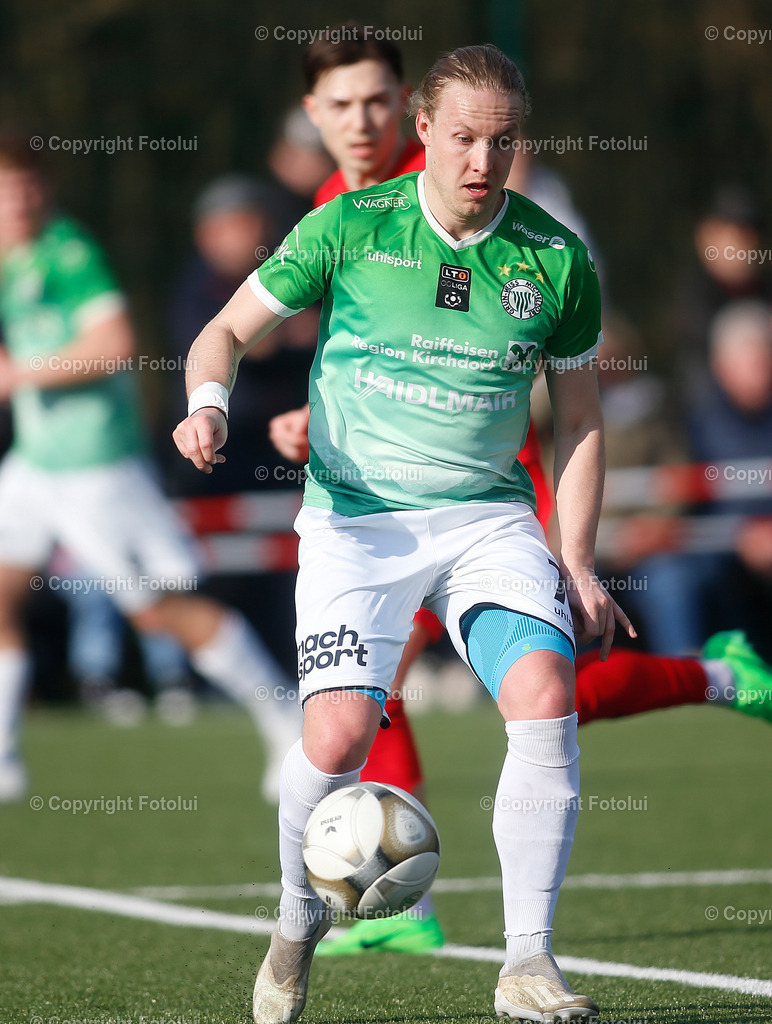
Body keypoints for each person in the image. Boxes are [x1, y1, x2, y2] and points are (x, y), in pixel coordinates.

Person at [174, 43, 635, 1024]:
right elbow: (221, 329)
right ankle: (295, 930)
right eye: (463, 138)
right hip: (357, 525)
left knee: (545, 692)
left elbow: (584, 416)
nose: (481, 161)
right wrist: (209, 404)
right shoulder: (348, 224)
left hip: (486, 521)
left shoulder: (554, 259)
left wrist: (579, 559)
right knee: (337, 737)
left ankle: (526, 962)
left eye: (501, 142)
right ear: (423, 131)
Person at [0, 138, 299, 804]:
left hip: (96, 470)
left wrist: (20, 374)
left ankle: (287, 722)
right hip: (33, 467)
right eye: (5, 189)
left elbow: (115, 346)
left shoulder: (68, 253)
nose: (18, 201)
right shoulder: (7, 256)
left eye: (26, 187)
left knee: (161, 611)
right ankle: (4, 756)